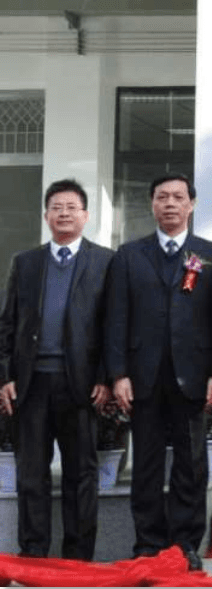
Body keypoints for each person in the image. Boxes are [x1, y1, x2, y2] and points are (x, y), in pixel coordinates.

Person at [105, 173, 212, 571]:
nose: (170, 203)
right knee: (145, 464)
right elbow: (116, 317)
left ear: (192, 204)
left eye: (178, 197)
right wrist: (119, 374)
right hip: (143, 377)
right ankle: (148, 542)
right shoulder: (129, 255)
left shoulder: (211, 254)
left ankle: (185, 544)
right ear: (152, 204)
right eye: (162, 197)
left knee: (191, 464)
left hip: (193, 375)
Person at [0, 178, 113, 560]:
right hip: (32, 384)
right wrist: (6, 377)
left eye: (71, 207)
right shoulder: (26, 262)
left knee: (82, 474)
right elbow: (8, 323)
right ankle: (33, 553)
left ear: (85, 215)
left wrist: (106, 377)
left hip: (81, 384)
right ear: (46, 215)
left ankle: (78, 557)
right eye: (56, 207)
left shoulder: (105, 261)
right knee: (31, 472)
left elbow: (114, 325)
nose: (64, 213)